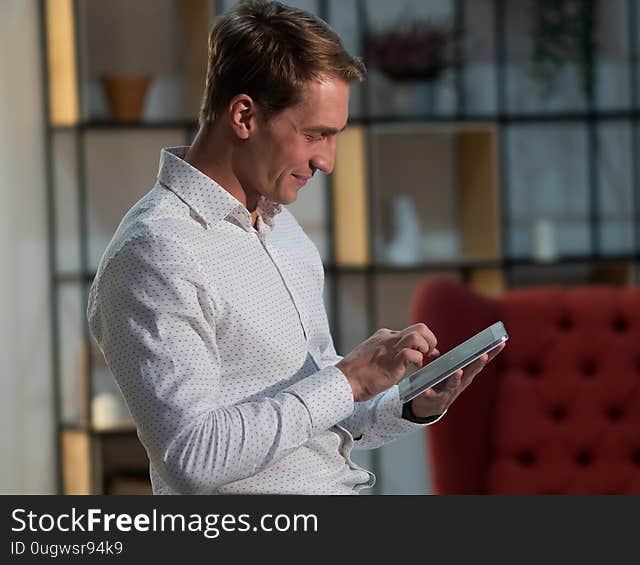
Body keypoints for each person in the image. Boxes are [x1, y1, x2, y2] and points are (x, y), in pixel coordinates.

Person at [87, 0, 503, 495]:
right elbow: (190, 457)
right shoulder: (154, 254)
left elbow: (320, 421)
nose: (327, 161)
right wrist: (348, 379)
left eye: (335, 137)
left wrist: (408, 401)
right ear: (243, 115)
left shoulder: (283, 232)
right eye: (314, 135)